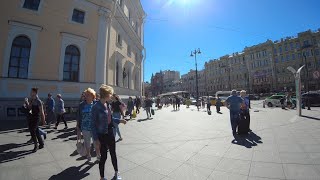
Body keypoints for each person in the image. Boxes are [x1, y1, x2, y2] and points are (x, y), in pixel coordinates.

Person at [91, 84, 127, 180]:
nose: (111, 96)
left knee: (113, 153)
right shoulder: (96, 107)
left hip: (110, 132)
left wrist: (120, 120)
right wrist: (95, 139)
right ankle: (102, 177)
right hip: (102, 135)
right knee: (104, 157)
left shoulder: (108, 105)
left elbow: (110, 118)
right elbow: (93, 125)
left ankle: (116, 173)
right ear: (106, 95)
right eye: (110, 94)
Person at [78, 88, 100, 163]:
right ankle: (89, 156)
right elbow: (79, 117)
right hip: (85, 128)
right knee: (87, 143)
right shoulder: (81, 105)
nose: (87, 96)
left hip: (95, 128)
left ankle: (98, 156)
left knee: (96, 143)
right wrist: (78, 128)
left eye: (89, 95)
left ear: (93, 96)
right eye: (86, 95)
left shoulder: (96, 104)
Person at [26, 87, 46, 152]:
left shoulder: (38, 101)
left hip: (37, 118)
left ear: (35, 93)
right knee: (36, 131)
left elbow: (42, 112)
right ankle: (41, 144)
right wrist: (26, 102)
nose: (30, 93)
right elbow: (29, 108)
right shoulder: (32, 100)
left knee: (32, 130)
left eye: (31, 92)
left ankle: (36, 145)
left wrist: (43, 120)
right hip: (31, 117)